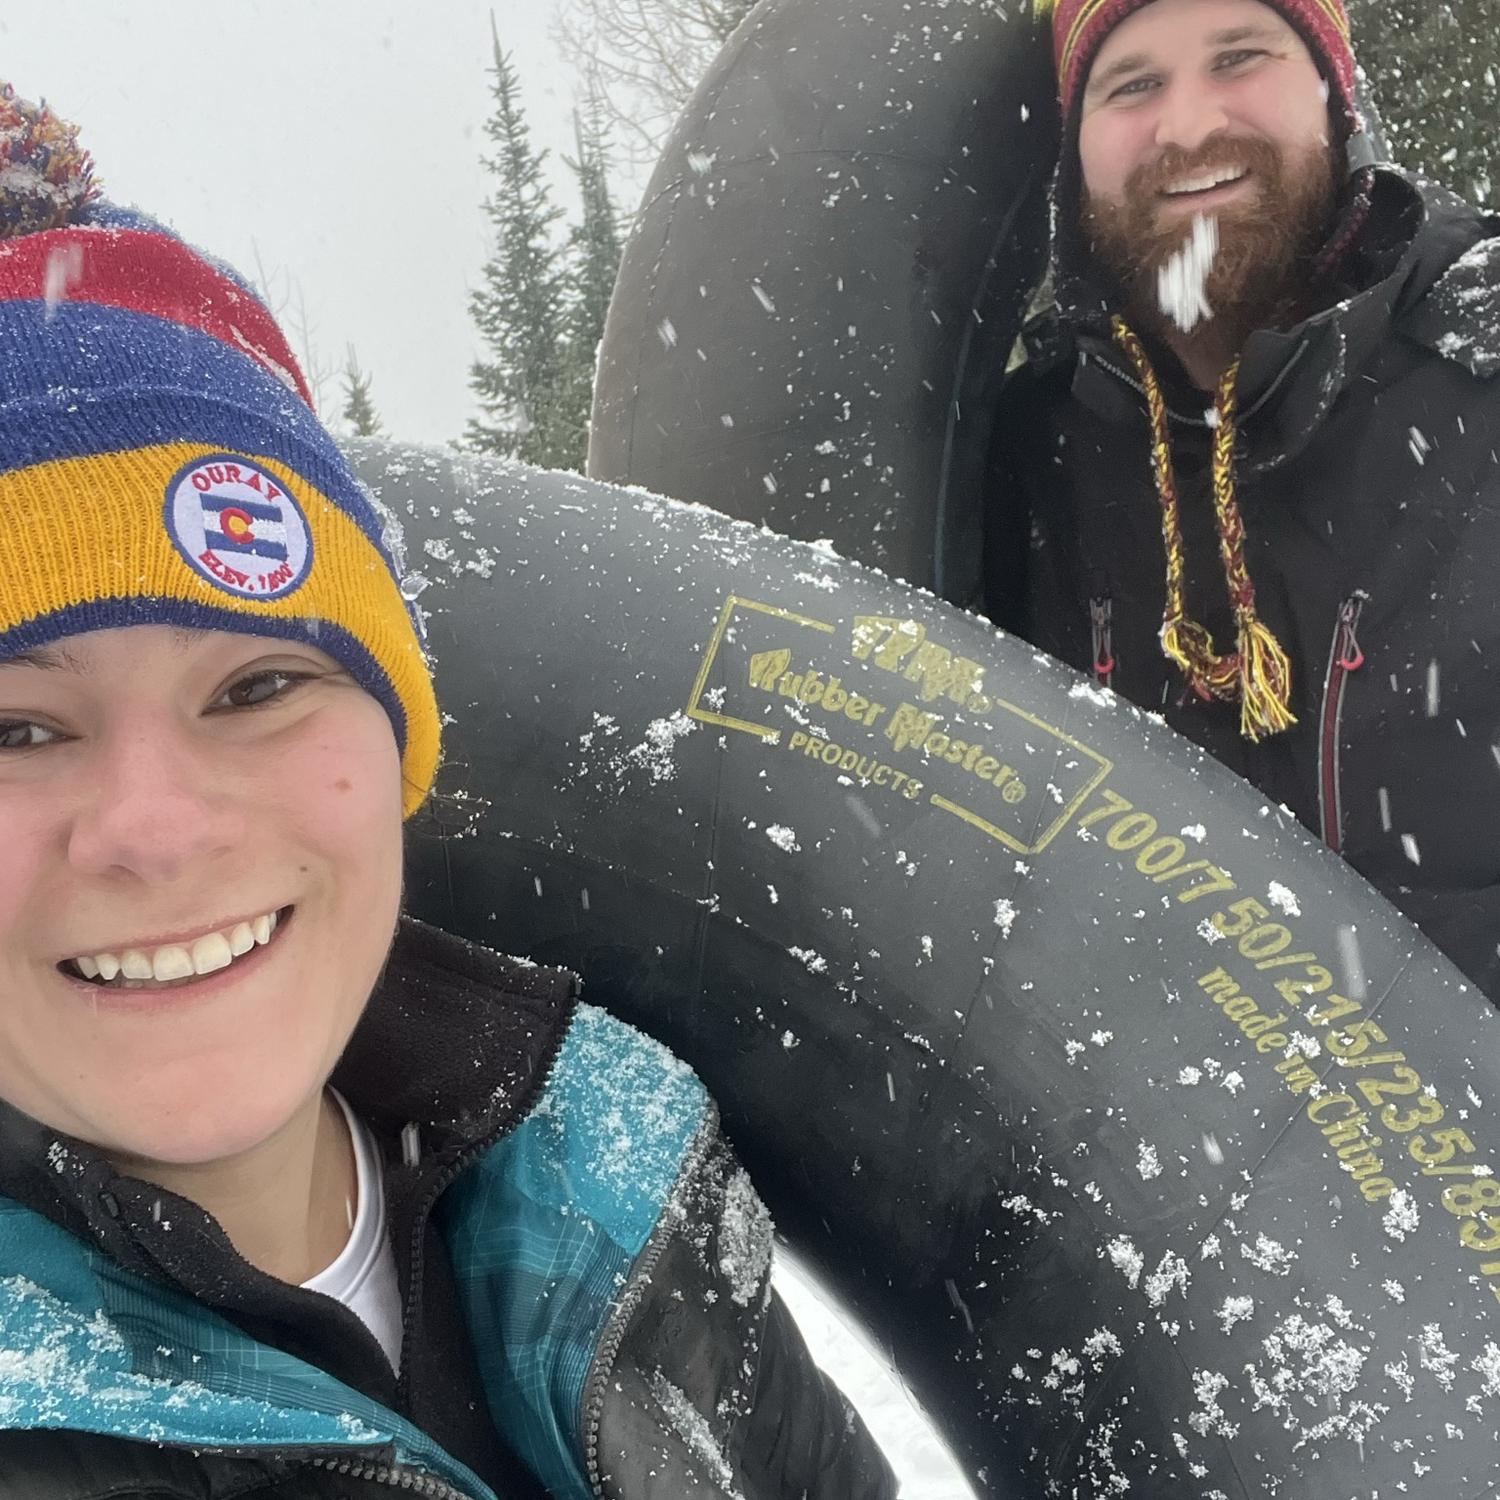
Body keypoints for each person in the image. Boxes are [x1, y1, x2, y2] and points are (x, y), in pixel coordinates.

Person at [0, 85, 895, 1500]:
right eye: (15, 730)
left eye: (255, 688)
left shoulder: (606, 1171)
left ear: (395, 739)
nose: (158, 829)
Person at [986, 0, 1500, 999]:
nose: (1189, 125)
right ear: (1071, 150)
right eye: (1132, 85)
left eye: (1240, 57)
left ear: (1332, 94)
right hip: (1132, 1140)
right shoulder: (1017, 467)